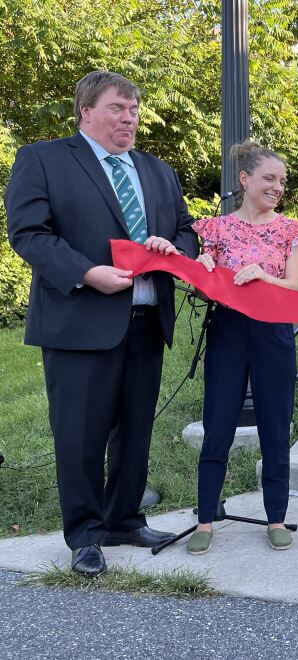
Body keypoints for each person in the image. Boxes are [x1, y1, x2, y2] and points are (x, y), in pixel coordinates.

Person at [4, 71, 199, 577]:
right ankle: (85, 535)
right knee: (81, 435)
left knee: (135, 431)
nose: (129, 119)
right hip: (78, 321)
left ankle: (124, 519)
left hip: (146, 318)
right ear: (86, 112)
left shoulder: (158, 170)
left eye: (134, 110)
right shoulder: (43, 159)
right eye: (118, 108)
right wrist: (87, 274)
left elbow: (184, 229)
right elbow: (28, 233)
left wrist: (173, 249)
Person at [187, 140, 298, 554]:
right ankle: (205, 519)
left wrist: (263, 277)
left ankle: (276, 516)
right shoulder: (216, 228)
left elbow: (294, 286)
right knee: (217, 423)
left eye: (283, 181)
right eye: (269, 179)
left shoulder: (292, 231)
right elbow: (202, 284)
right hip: (227, 330)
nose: (278, 187)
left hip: (273, 331)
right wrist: (201, 269)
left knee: (275, 425)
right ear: (245, 179)